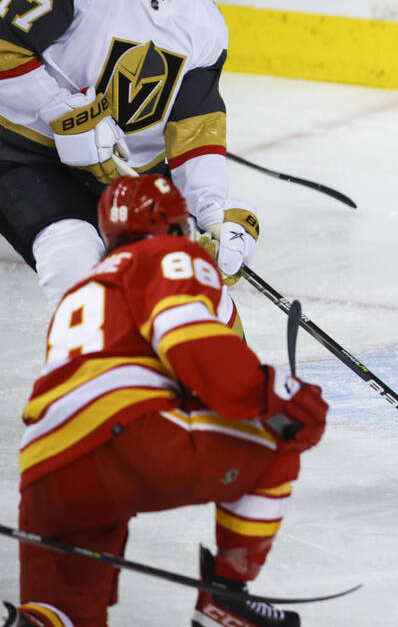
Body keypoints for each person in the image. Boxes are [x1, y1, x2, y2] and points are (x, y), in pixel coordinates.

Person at [3, 174, 328, 627]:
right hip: (123, 440)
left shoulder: (83, 291)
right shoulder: (167, 255)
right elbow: (189, 340)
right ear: (175, 225)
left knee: (61, 615)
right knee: (272, 440)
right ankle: (225, 599)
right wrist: (275, 396)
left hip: (44, 471)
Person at [0, 0, 257, 309]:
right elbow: (5, 48)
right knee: (76, 264)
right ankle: (97, 374)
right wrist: (63, 111)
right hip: (27, 156)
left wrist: (216, 212)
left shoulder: (206, 26)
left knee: (191, 289)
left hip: (125, 176)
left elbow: (196, 134)